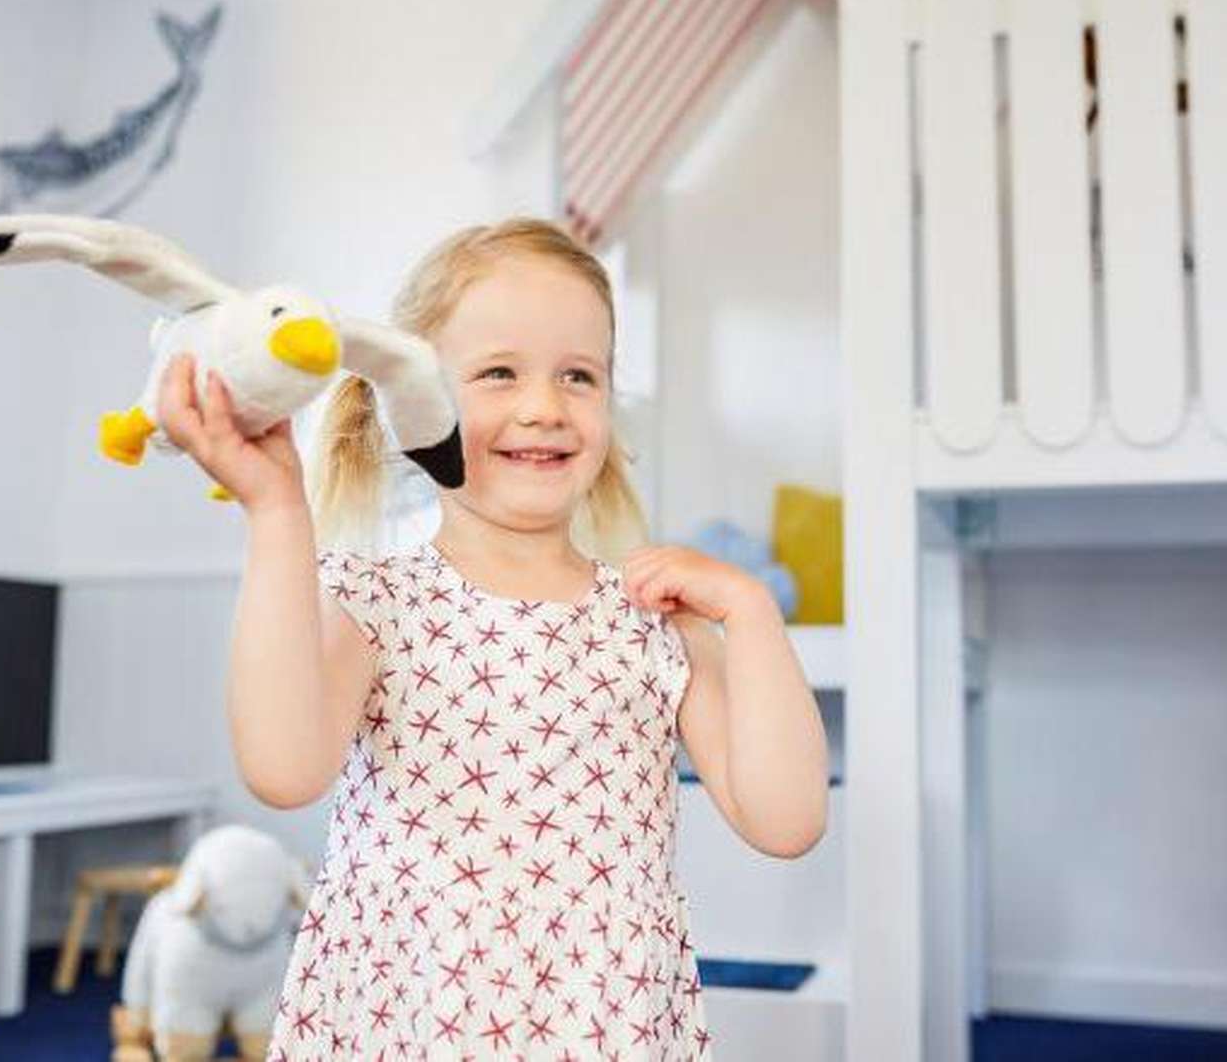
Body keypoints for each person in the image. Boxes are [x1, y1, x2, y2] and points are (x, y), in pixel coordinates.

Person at [157, 217, 829, 1059]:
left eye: (579, 376)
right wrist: (276, 510)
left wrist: (752, 613)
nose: (545, 407)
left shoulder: (653, 620)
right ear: (415, 397)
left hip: (603, 1033)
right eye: (500, 373)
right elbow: (283, 769)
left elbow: (788, 819)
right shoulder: (375, 600)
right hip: (404, 1028)